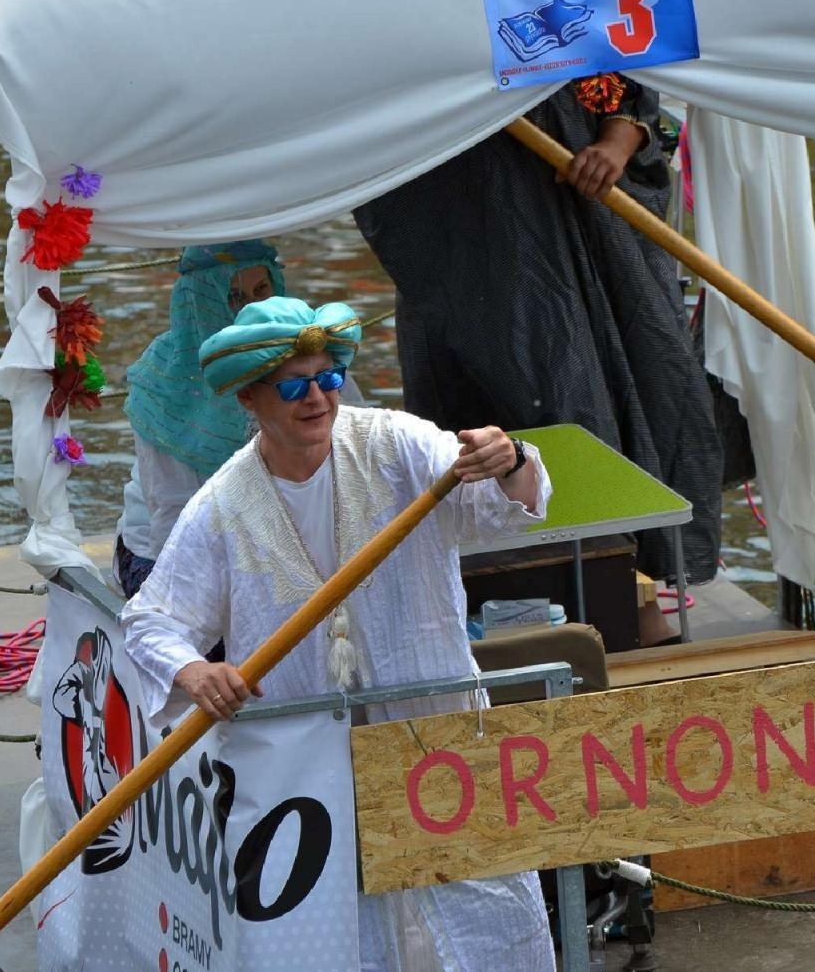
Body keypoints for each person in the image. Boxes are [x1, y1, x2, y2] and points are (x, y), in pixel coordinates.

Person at [121, 296, 556, 970]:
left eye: (327, 377)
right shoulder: (223, 505)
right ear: (250, 397)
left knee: (488, 914)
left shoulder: (396, 443)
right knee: (345, 932)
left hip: (432, 730)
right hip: (308, 767)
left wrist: (510, 457)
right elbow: (152, 619)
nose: (316, 397)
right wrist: (194, 670)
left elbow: (501, 507)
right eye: (293, 384)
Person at [353, 74, 722, 588]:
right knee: (544, 392)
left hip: (597, 207)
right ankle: (544, 587)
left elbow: (626, 61)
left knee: (658, 379)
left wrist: (618, 141)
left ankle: (638, 581)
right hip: (477, 212)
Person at [114, 240, 286, 598]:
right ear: (200, 300)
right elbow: (171, 513)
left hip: (276, 543)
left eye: (262, 290)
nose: (253, 310)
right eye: (234, 297)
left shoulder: (306, 355)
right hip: (165, 553)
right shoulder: (166, 378)